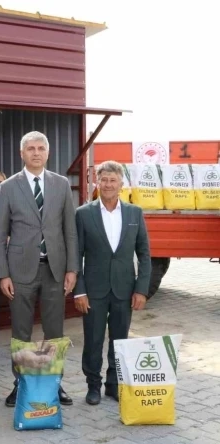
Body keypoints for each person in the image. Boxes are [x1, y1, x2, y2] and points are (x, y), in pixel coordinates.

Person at [0, 130, 78, 407]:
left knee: (54, 332)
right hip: (20, 272)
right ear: (22, 153)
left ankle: (54, 383)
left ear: (48, 152)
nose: (36, 153)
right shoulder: (8, 187)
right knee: (22, 333)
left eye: (41, 148)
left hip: (55, 269)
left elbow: (70, 231)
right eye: (31, 148)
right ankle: (21, 384)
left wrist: (72, 268)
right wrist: (2, 273)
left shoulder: (61, 184)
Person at [74, 160, 151, 405]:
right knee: (93, 340)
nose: (108, 184)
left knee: (120, 340)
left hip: (124, 290)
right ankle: (93, 386)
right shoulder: (83, 214)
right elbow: (76, 255)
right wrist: (79, 291)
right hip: (94, 291)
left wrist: (141, 289)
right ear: (97, 183)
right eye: (104, 180)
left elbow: (144, 254)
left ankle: (113, 384)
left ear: (121, 184)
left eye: (113, 180)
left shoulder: (134, 213)